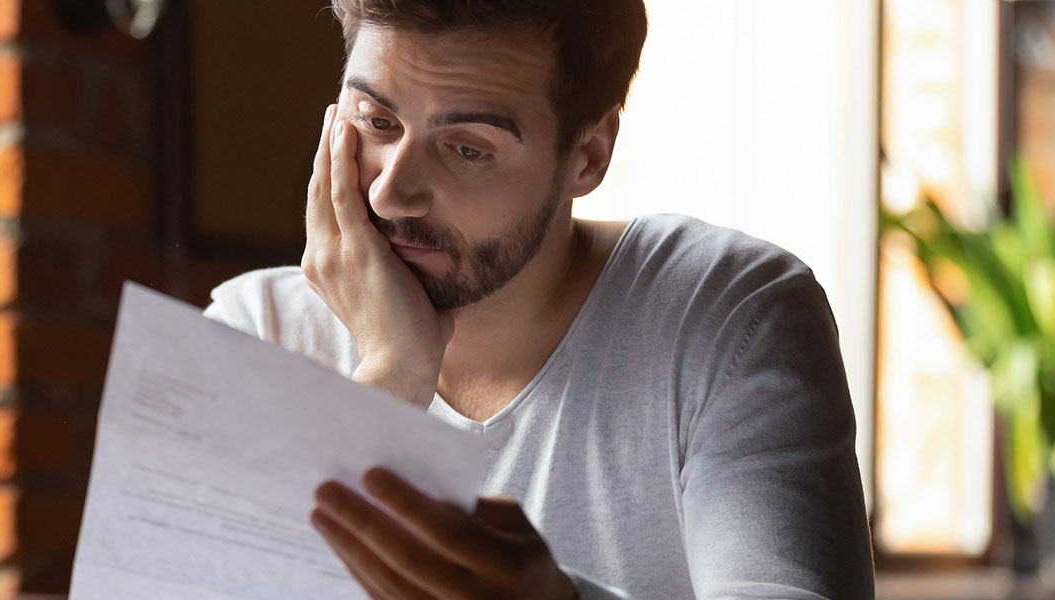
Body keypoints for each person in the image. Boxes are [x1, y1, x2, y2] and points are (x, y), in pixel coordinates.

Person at [202, 1, 875, 598]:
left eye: (467, 149)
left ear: (589, 155)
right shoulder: (256, 332)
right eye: (376, 121)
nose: (390, 193)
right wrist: (391, 373)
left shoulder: (732, 316)